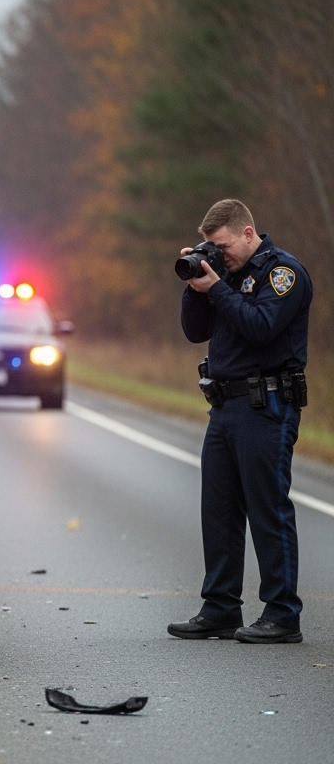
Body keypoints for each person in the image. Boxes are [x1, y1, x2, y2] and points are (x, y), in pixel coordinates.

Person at [170, 198, 310, 644]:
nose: (219, 253)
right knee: (219, 510)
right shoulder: (224, 276)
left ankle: (283, 615)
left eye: (223, 244)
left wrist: (218, 290)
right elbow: (195, 333)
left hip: (266, 405)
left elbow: (261, 326)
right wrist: (197, 284)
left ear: (248, 233)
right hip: (225, 405)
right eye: (211, 245)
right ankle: (221, 607)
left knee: (268, 509)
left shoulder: (282, 274)